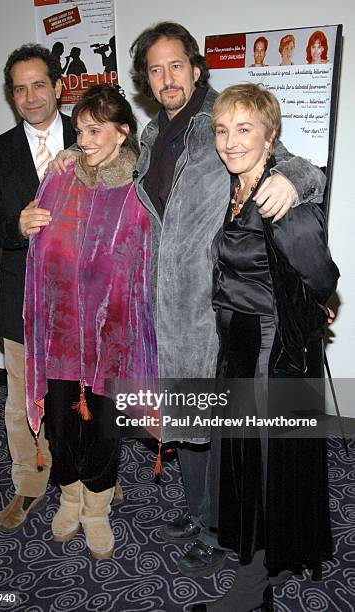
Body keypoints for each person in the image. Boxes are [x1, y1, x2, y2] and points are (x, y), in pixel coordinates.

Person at [50, 21, 327, 578]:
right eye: (155, 69)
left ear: (197, 69)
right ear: (146, 81)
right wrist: (68, 162)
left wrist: (297, 180)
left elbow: (296, 163)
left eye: (176, 65)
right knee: (181, 420)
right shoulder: (151, 136)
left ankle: (219, 527)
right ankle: (199, 512)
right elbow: (111, 176)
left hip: (213, 307)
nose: (167, 77)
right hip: (159, 308)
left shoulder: (220, 118)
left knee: (217, 429)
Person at [190, 83, 339, 611]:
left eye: (244, 129)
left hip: (266, 353)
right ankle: (266, 553)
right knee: (247, 461)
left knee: (261, 462)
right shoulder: (233, 186)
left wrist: (309, 307)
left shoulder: (280, 197)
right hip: (238, 343)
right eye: (222, 130)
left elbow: (323, 274)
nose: (230, 142)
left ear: (270, 134)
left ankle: (255, 583)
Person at [23, 84, 157, 558]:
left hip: (112, 335)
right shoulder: (61, 177)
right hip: (61, 332)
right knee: (61, 423)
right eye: (79, 130)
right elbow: (37, 239)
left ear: (122, 133)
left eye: (95, 130)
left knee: (103, 426)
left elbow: (149, 261)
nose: (85, 139)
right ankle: (70, 494)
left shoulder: (139, 188)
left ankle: (97, 507)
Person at [0, 43, 76, 532]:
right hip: (22, 300)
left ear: (58, 86)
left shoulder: (94, 134)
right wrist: (16, 225)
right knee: (22, 402)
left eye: (40, 84)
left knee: (86, 396)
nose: (31, 96)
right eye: (20, 88)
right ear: (11, 96)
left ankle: (93, 477)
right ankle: (30, 485)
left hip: (87, 300)